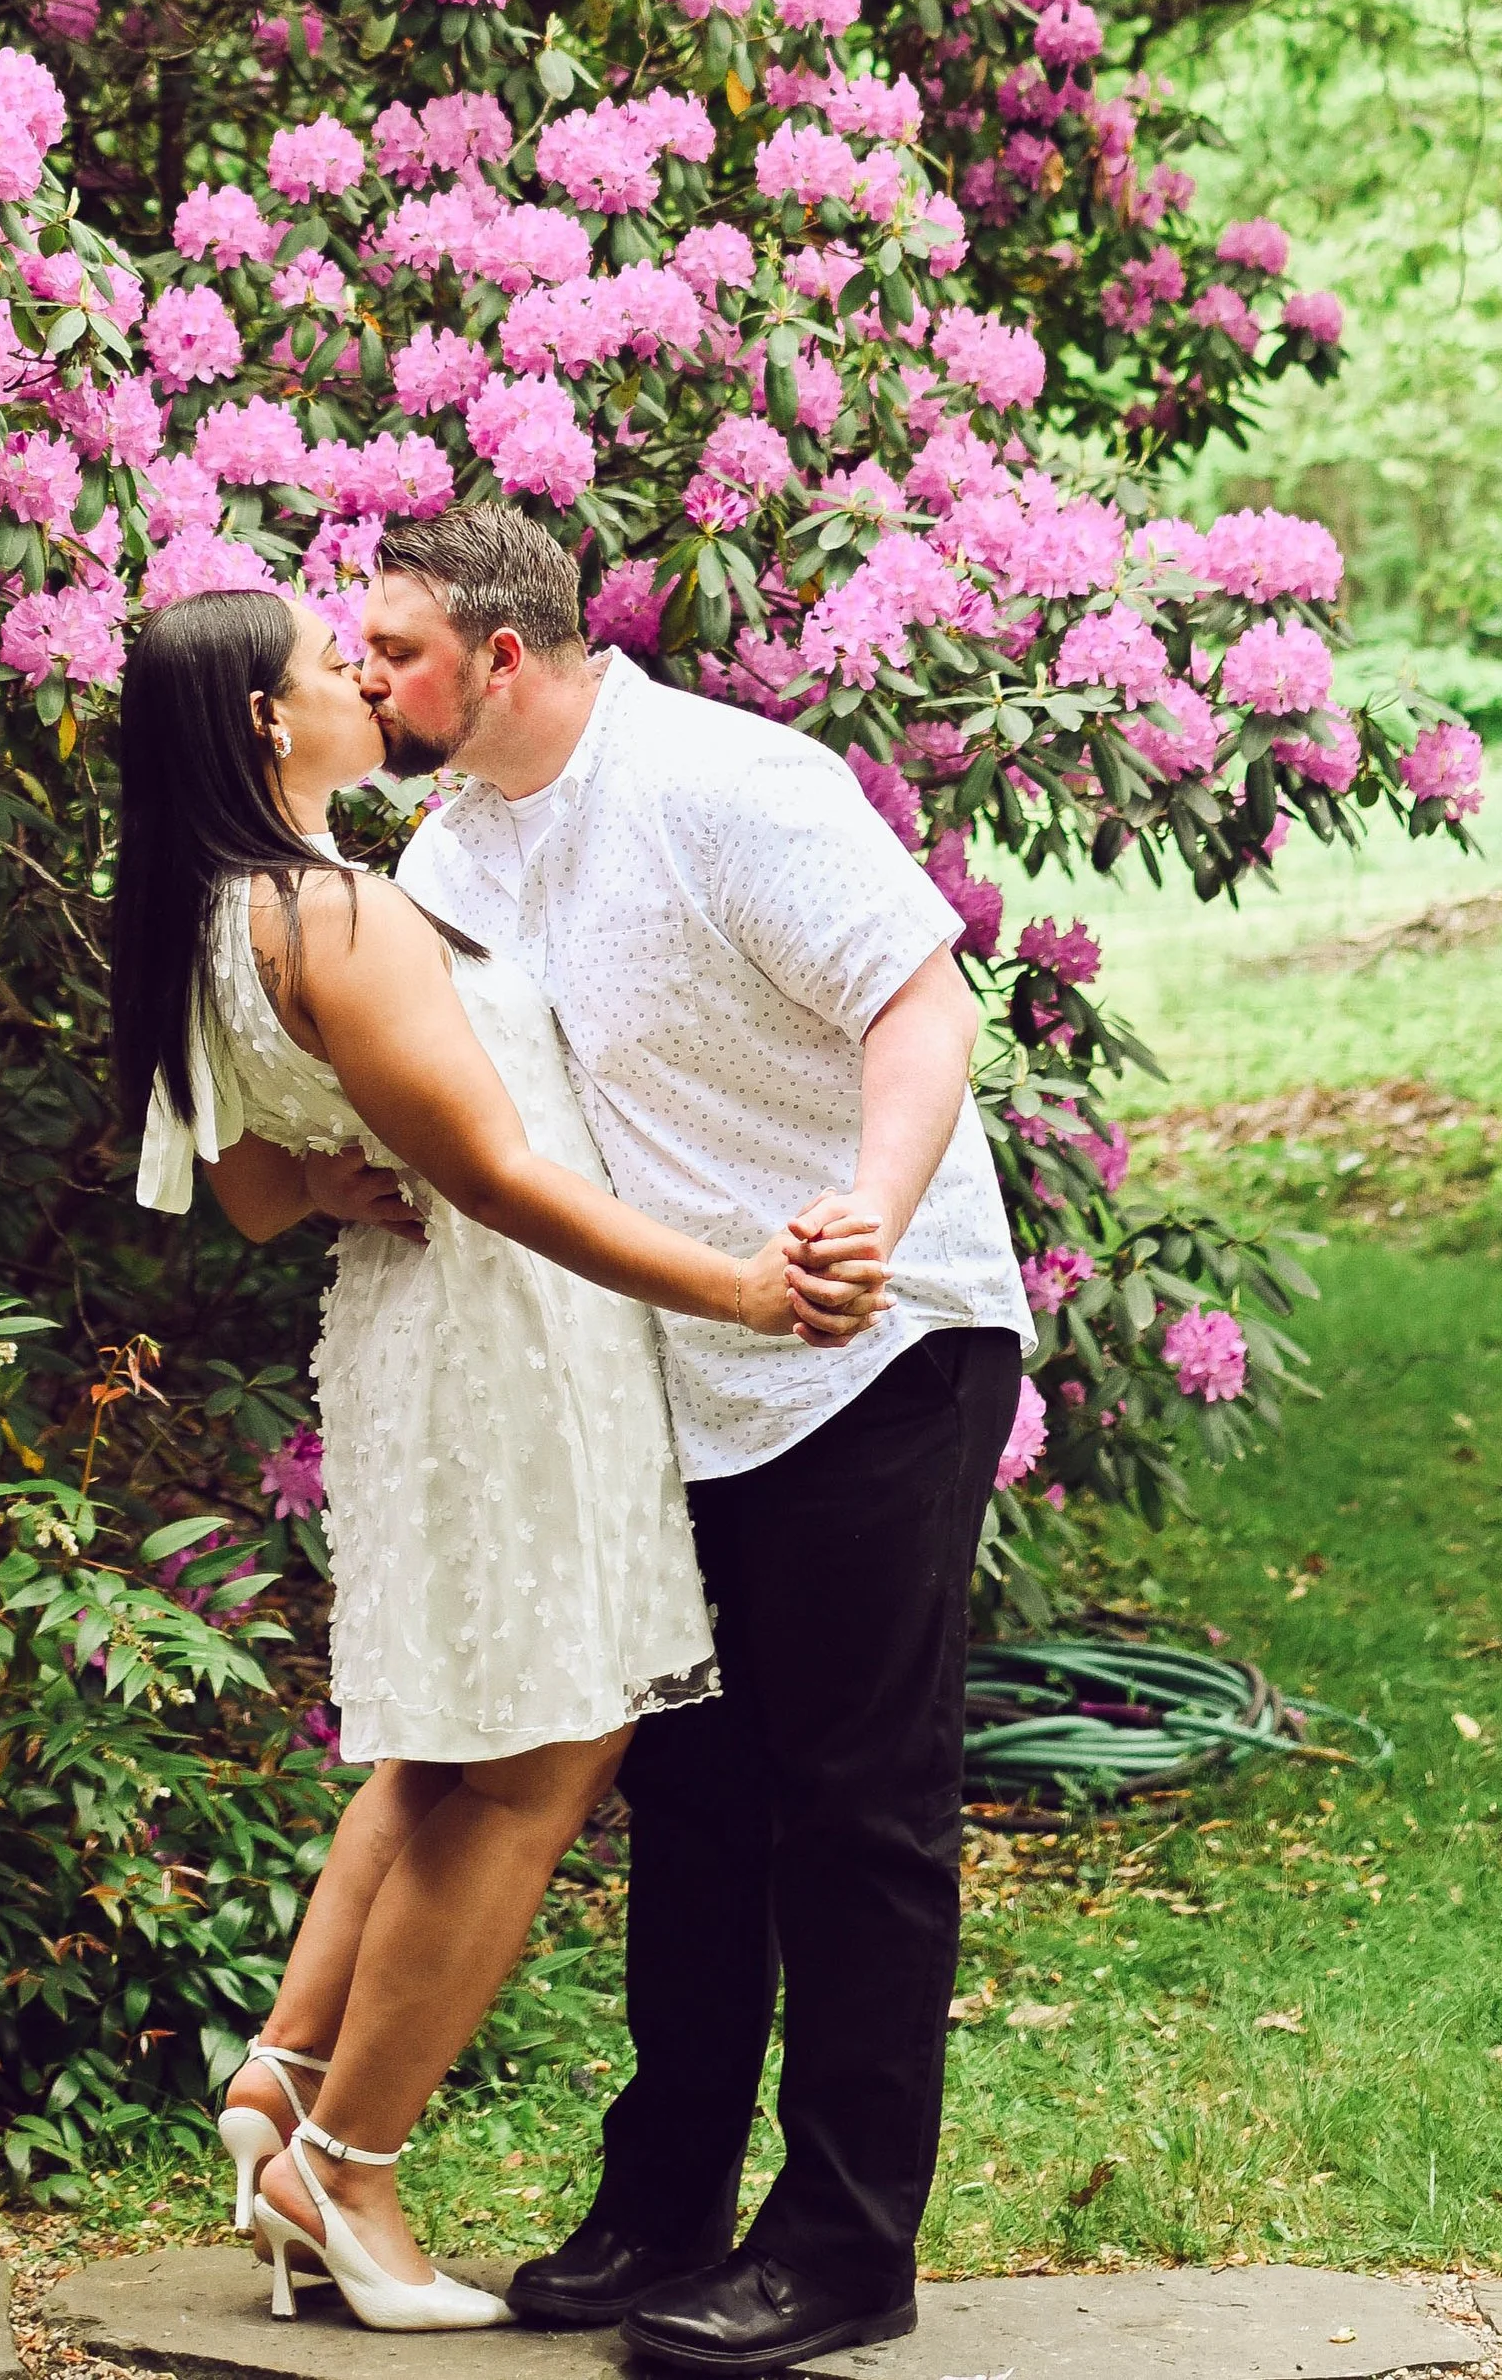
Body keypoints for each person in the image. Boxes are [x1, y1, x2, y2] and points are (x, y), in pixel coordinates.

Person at [112, 586, 884, 2336]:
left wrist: (330, 1173)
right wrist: (742, 1283)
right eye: (332, 665)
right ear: (260, 723)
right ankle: (349, 2157)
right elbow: (505, 1176)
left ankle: (285, 2073)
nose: (363, 679)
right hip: (511, 1352)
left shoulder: (208, 919)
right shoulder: (341, 913)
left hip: (418, 1345)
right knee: (544, 1758)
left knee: (450, 1736)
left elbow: (245, 1186)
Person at [359, 504, 1031, 2375]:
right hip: (691, 1378)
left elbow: (922, 1000)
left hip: (877, 1346)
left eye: (396, 649)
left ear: (504, 657)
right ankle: (662, 2203)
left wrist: (867, 1220)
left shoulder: (729, 784)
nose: (365, 678)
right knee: (697, 1807)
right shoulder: (457, 848)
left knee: (855, 1807)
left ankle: (840, 2249)